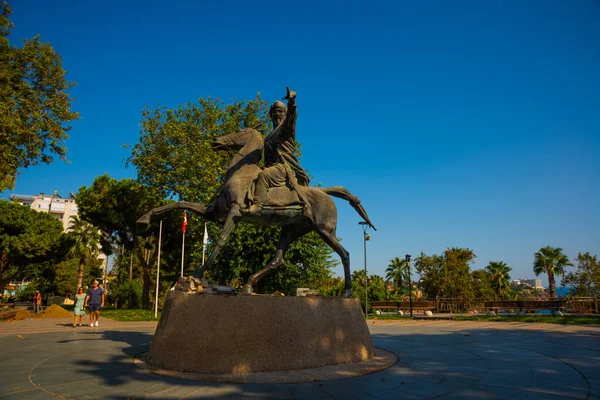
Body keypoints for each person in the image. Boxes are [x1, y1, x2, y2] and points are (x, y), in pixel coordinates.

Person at [247, 87, 309, 214]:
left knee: (263, 175)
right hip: (270, 167)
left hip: (282, 168)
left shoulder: (287, 128)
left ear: (285, 114)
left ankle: (258, 205)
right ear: (270, 115)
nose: (277, 114)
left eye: (280, 111)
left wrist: (291, 102)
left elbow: (292, 117)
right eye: (274, 112)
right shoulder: (269, 135)